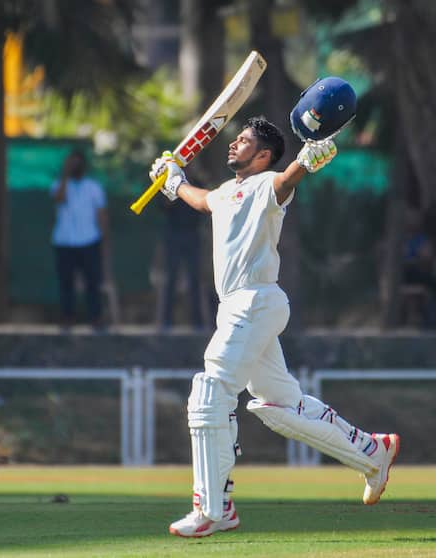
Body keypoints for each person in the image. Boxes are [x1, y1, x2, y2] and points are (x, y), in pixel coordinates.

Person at [149, 116, 400, 538]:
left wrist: (308, 157)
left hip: (255, 300)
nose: (233, 143)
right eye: (237, 137)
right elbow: (202, 200)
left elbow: (288, 180)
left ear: (263, 155)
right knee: (278, 404)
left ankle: (214, 509)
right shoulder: (228, 192)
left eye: (244, 141)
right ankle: (373, 452)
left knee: (210, 391)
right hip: (240, 308)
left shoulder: (268, 185)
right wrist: (173, 180)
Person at [50, 150, 108, 332]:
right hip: (64, 241)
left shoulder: (94, 187)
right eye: (71, 163)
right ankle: (67, 317)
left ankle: (95, 318)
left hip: (89, 240)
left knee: (92, 282)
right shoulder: (59, 185)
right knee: (66, 282)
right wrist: (65, 176)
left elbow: (101, 215)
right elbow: (58, 199)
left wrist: (104, 239)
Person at [157, 196, 204, 330]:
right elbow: (163, 206)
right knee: (170, 278)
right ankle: (166, 321)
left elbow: (202, 207)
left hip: (192, 234)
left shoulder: (196, 184)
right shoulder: (168, 186)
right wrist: (176, 190)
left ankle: (197, 322)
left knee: (194, 279)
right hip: (173, 235)